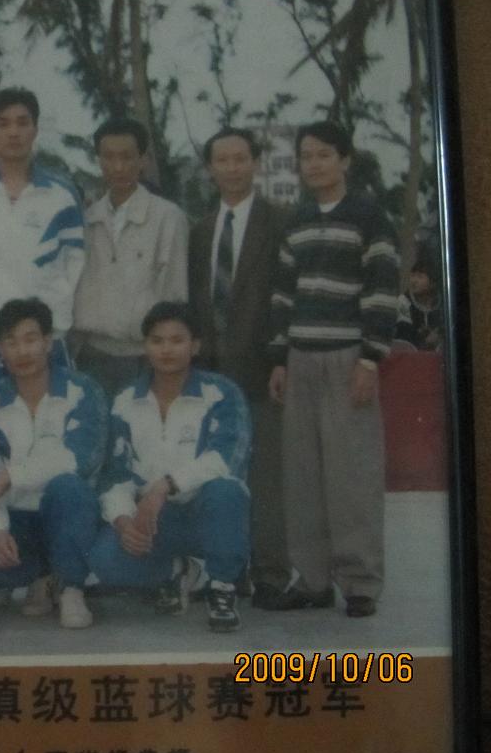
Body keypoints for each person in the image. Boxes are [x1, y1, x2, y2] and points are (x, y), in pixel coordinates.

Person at [267, 121, 400, 618]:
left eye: (324, 154)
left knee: (351, 474)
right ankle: (313, 580)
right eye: (306, 156)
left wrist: (370, 358)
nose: (314, 164)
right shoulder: (297, 220)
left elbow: (383, 290)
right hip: (300, 358)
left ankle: (360, 582)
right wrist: (279, 358)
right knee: (302, 474)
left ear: (345, 160)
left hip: (348, 357)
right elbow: (283, 294)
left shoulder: (370, 217)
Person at [86, 302, 252, 632]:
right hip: (156, 520)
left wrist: (165, 485)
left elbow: (226, 459)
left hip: (207, 514)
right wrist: (124, 522)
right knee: (105, 559)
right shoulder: (126, 400)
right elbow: (115, 474)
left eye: (177, 340)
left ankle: (222, 587)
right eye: (157, 340)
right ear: (145, 346)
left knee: (227, 491)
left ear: (195, 346)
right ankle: (178, 572)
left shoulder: (221, 393)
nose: (166, 350)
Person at [187, 127, 290, 607]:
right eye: (222, 160)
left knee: (266, 476)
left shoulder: (280, 222)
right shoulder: (201, 229)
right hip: (213, 372)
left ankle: (271, 572)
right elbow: (199, 301)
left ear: (255, 163)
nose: (231, 168)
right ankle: (230, 570)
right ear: (210, 168)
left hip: (263, 368)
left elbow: (287, 296)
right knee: (220, 472)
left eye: (240, 158)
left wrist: (281, 357)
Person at [0, 298, 108, 630]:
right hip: (17, 518)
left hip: (65, 514)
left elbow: (80, 458)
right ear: (0, 350)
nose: (22, 351)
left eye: (30, 339)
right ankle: (39, 576)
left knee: (70, 486)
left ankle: (71, 587)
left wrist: (11, 475)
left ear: (48, 342)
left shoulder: (82, 391)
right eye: (11, 342)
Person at [0, 88, 85, 398]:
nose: (14, 132)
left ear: (35, 129)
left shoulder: (61, 196)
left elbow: (75, 269)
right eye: (3, 124)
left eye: (23, 123)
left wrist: (54, 325)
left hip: (44, 347)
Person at [72, 117, 188, 395]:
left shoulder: (167, 217)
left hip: (146, 357)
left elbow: (174, 293)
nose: (118, 167)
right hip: (92, 355)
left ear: (143, 159)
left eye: (127, 157)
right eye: (109, 157)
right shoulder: (87, 219)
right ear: (98, 160)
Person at [395, 249, 442, 350]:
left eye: (420, 277)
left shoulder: (442, 304)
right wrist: (426, 342)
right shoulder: (404, 302)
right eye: (413, 276)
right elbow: (404, 338)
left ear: (433, 283)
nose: (414, 281)